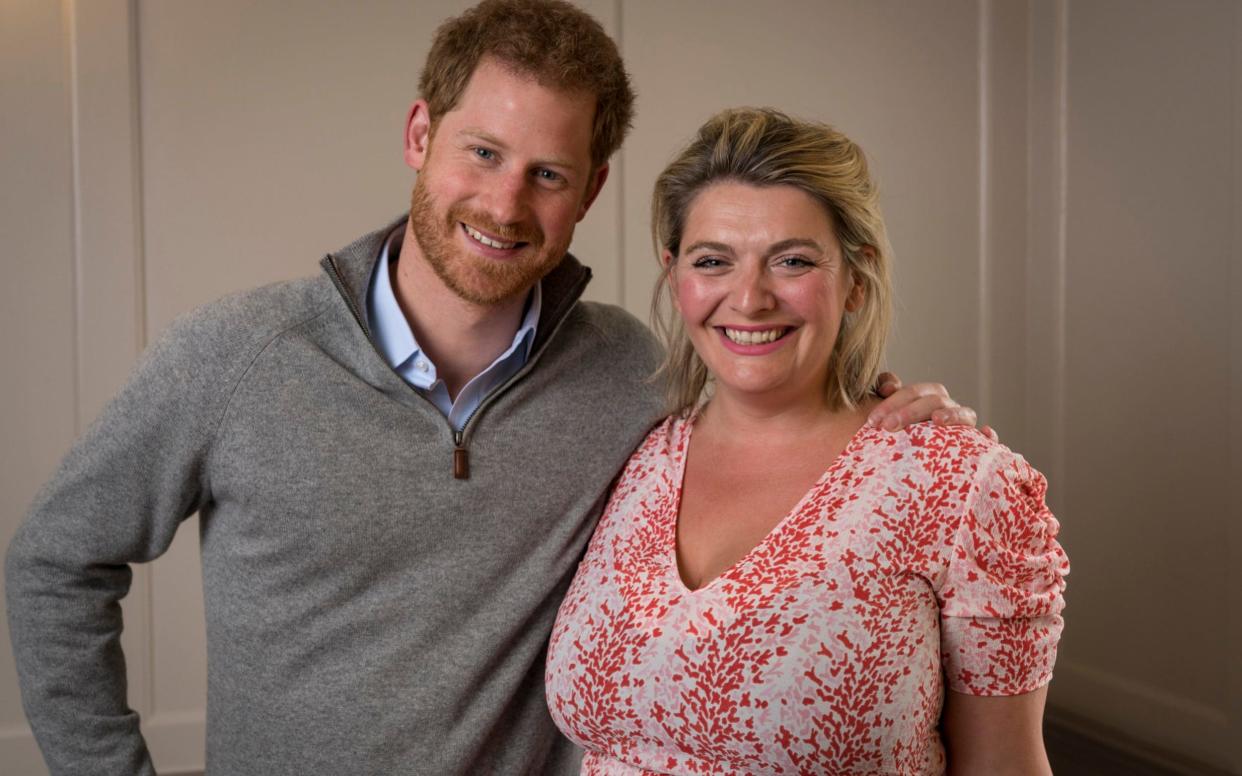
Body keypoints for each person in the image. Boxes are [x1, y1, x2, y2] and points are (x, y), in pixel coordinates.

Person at [6, 3, 978, 775]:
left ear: (590, 191)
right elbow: (54, 560)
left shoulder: (629, 374)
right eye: (482, 152)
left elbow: (760, 426)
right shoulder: (236, 352)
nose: (507, 204)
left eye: (548, 172)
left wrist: (874, 418)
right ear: (420, 133)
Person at [546, 107, 1069, 775]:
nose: (750, 297)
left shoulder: (955, 483)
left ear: (855, 278)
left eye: (791, 261)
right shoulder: (631, 447)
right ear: (676, 276)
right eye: (714, 261)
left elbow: (1006, 767)